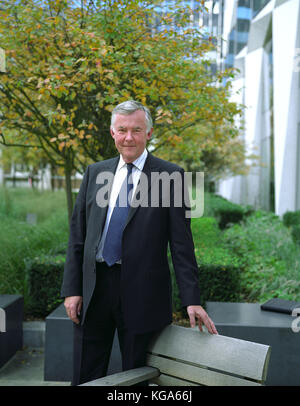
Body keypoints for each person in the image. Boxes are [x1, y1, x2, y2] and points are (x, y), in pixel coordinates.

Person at [61, 100, 218, 386]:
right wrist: (72, 289)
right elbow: (78, 236)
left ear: (149, 133)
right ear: (112, 132)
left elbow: (182, 244)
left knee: (136, 377)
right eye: (122, 130)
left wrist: (191, 299)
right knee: (85, 373)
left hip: (143, 294)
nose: (129, 137)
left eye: (136, 129)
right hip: (94, 291)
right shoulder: (95, 173)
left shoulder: (169, 176)